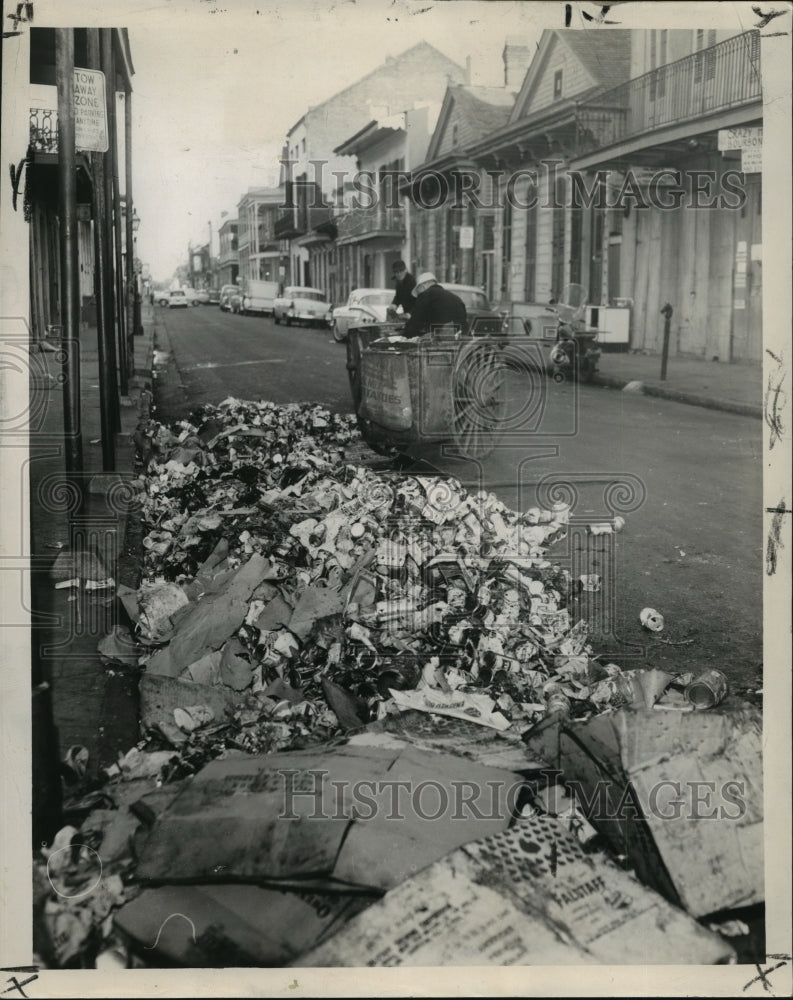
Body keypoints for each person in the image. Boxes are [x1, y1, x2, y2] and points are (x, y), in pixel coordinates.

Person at [402, 272, 467, 339]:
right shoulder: (455, 298)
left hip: (440, 341)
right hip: (459, 340)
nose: (419, 295)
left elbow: (415, 322)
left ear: (423, 286)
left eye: (418, 292)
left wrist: (404, 335)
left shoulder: (425, 295)